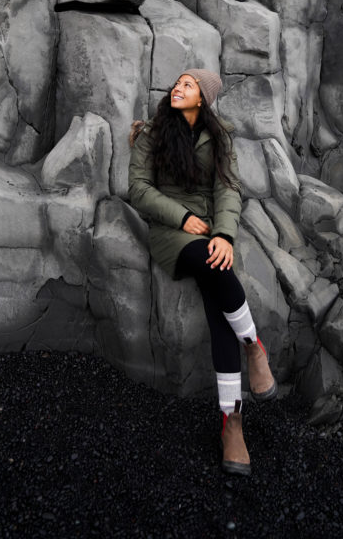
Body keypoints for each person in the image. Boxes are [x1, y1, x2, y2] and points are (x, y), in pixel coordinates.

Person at [128, 68, 277, 476]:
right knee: (213, 267)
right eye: (178, 83)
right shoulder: (152, 133)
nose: (178, 87)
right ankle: (254, 345)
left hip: (211, 227)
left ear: (203, 100)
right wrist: (183, 218)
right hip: (170, 231)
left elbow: (228, 188)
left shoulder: (220, 136)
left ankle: (233, 424)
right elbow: (137, 190)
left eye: (188, 85)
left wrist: (226, 234)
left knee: (217, 293)